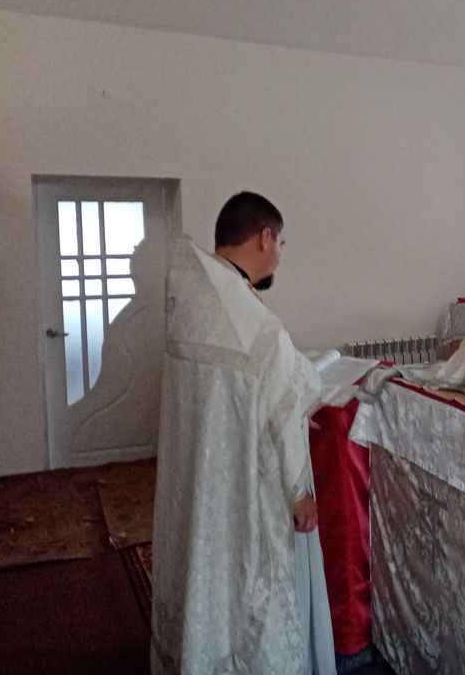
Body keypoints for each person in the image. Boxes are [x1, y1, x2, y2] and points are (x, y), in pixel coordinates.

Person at [151, 192, 335, 674]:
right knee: (247, 589)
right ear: (265, 238)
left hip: (194, 480)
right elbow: (278, 413)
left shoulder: (192, 296)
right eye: (281, 244)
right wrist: (300, 493)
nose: (280, 256)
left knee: (200, 578)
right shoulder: (257, 325)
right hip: (241, 488)